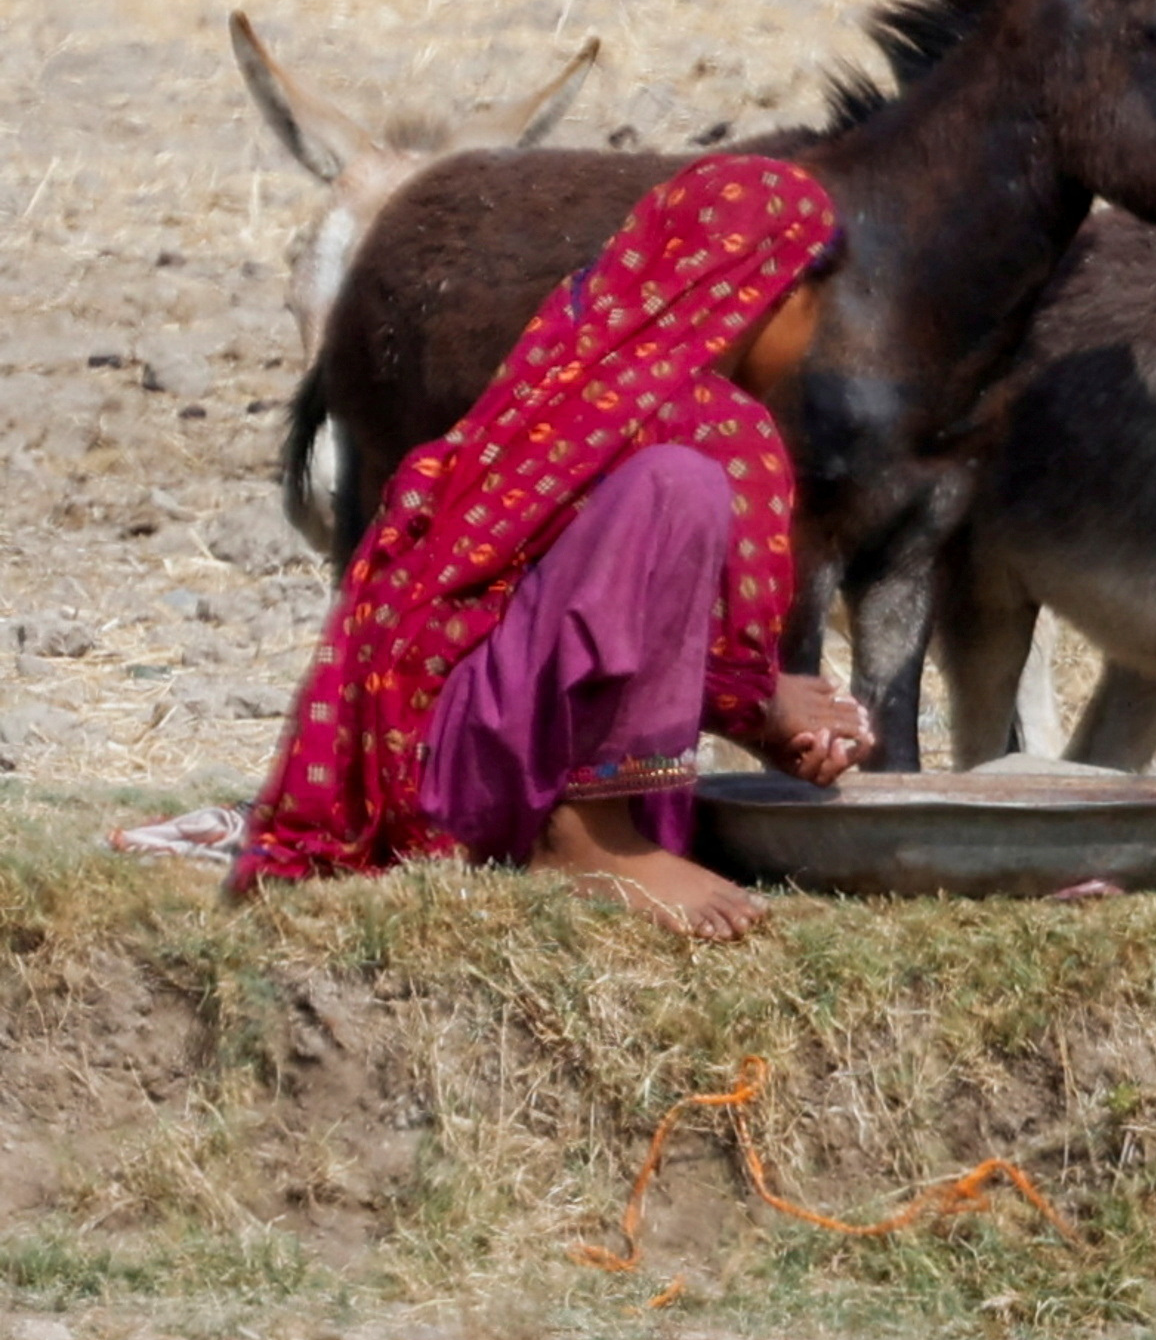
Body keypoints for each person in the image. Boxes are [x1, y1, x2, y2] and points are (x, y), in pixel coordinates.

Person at [235, 153, 874, 940]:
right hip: (492, 772)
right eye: (816, 305)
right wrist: (765, 700)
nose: (816, 339)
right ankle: (590, 840)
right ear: (766, 295)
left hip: (429, 758)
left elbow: (590, 624)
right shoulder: (707, 426)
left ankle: (595, 825)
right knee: (679, 487)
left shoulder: (580, 371)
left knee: (669, 490)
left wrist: (770, 714)